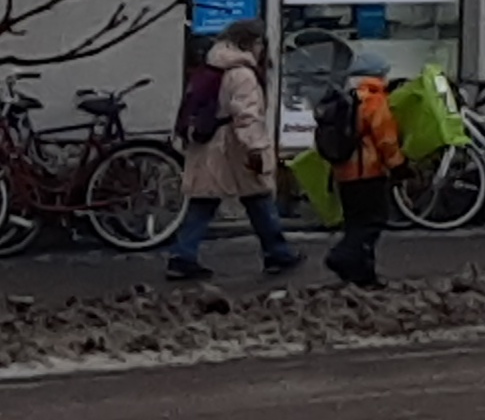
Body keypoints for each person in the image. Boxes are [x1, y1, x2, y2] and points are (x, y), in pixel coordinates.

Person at [169, 21, 300, 280]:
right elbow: (247, 116)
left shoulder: (212, 65)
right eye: (261, 43)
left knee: (203, 202)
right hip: (232, 147)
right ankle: (277, 253)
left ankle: (182, 256)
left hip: (208, 146)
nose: (262, 49)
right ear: (251, 43)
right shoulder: (242, 73)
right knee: (258, 198)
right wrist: (256, 149)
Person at [325, 70, 401, 286]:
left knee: (355, 223)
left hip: (343, 172)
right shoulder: (374, 101)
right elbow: (386, 139)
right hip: (368, 171)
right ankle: (341, 256)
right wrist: (398, 165)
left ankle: (363, 275)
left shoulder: (348, 98)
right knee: (372, 222)